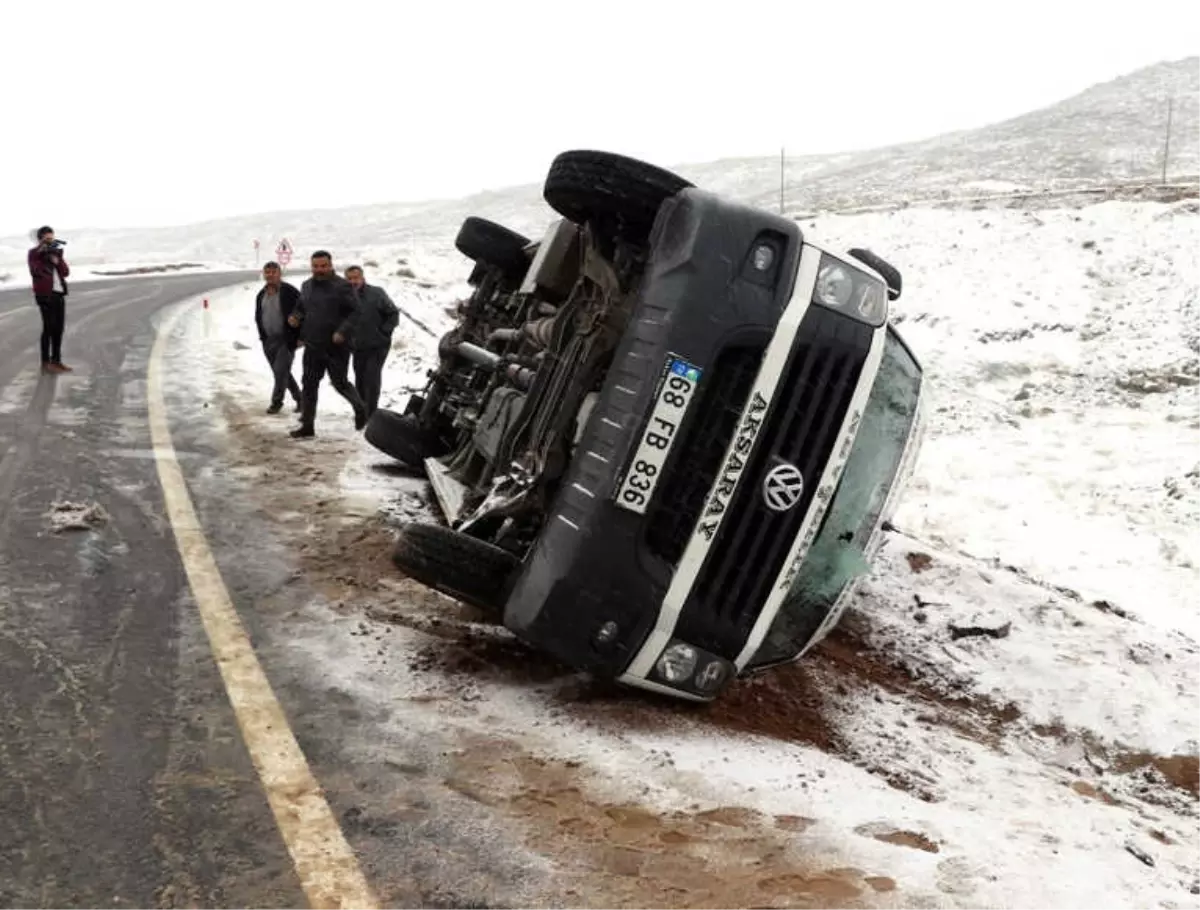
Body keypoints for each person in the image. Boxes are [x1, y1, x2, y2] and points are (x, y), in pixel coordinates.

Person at [286, 250, 367, 439]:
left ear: (330, 265)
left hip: (336, 346)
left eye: (323, 266)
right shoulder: (306, 286)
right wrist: (295, 317)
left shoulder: (343, 286)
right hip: (313, 345)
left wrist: (342, 332)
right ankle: (307, 425)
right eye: (316, 266)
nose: (319, 270)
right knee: (309, 383)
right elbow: (301, 307)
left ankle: (361, 408)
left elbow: (356, 312)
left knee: (340, 383)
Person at [344, 265, 399, 419]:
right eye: (350, 279)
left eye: (356, 278)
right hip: (358, 346)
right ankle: (363, 409)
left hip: (378, 345)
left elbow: (393, 313)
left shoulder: (376, 293)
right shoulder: (344, 297)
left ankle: (372, 413)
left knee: (372, 377)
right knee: (359, 378)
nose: (353, 281)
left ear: (363, 278)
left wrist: (384, 331)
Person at [254, 261, 303, 414]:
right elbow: (258, 316)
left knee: (281, 370)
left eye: (273, 272)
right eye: (267, 272)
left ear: (279, 274)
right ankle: (301, 399)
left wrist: (301, 335)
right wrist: (263, 337)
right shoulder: (261, 294)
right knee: (281, 373)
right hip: (268, 340)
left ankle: (276, 402)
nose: (270, 275)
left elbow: (303, 310)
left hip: (286, 339)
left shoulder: (289, 291)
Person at [27, 226, 72, 374]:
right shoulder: (34, 254)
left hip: (58, 293)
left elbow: (65, 273)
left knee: (59, 329)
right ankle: (46, 362)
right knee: (49, 327)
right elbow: (36, 271)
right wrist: (43, 255)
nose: (50, 241)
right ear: (40, 240)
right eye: (47, 239)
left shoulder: (56, 253)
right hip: (45, 295)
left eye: (52, 238)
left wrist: (57, 260)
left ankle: (57, 361)